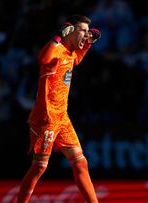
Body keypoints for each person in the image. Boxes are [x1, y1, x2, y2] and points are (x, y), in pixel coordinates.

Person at [17, 15, 101, 203]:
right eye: (82, 31)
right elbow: (43, 58)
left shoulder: (71, 52)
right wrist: (56, 37)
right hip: (47, 118)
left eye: (88, 32)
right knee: (39, 167)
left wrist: (88, 44)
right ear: (69, 31)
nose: (86, 34)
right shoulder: (56, 49)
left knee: (81, 163)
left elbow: (77, 60)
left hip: (62, 117)